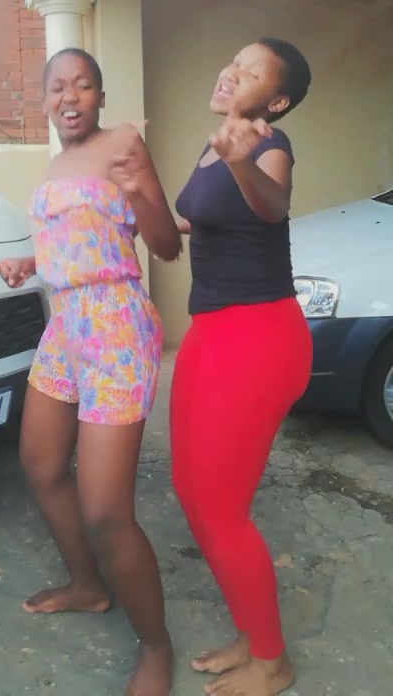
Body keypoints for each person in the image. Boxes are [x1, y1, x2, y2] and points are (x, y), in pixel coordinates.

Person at [0, 47, 181, 696]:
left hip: (116, 327)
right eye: (57, 87)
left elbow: (166, 245)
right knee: (41, 466)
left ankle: (156, 645)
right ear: (45, 100)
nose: (69, 97)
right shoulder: (54, 165)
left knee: (105, 509)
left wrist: (140, 188)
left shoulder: (123, 146)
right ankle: (88, 585)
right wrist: (28, 262)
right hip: (64, 326)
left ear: (100, 95)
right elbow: (69, 246)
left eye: (83, 85)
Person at [170, 38, 313, 696]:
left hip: (259, 337)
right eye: (233, 61)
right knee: (191, 491)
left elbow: (272, 206)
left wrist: (239, 161)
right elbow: (198, 222)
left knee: (222, 509)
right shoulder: (216, 146)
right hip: (211, 331)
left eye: (251, 72)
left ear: (274, 102)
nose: (231, 72)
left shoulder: (267, 145)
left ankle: (273, 661)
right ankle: (253, 634)